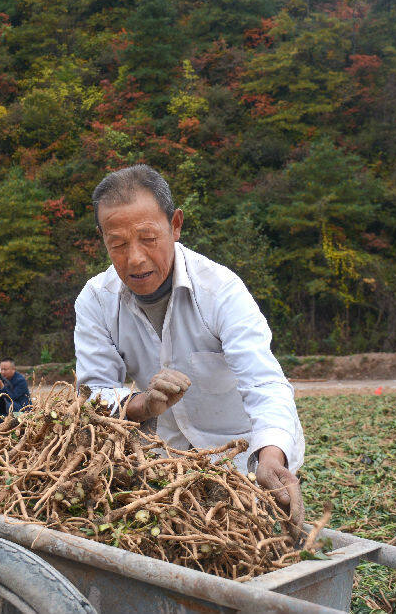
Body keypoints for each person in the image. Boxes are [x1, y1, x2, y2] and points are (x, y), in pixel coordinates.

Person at [74, 164, 305, 526]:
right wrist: (143, 404)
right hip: (167, 470)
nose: (134, 258)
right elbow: (94, 394)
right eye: (117, 244)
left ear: (175, 224)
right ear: (102, 237)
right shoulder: (96, 301)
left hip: (244, 463)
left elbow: (264, 382)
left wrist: (271, 457)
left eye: (148, 238)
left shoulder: (219, 290)